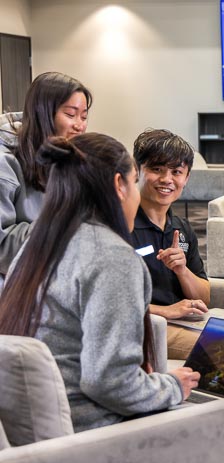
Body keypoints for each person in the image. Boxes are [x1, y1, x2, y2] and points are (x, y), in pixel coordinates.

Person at [0, 133, 199, 432]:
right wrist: (172, 385)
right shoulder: (111, 256)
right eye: (134, 182)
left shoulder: (35, 245)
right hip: (92, 435)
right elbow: (111, 384)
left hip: (29, 434)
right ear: (119, 186)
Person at [131, 128, 224, 387]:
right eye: (157, 169)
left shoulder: (181, 229)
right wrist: (166, 311)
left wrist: (182, 270)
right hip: (150, 325)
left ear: (186, 177)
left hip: (185, 319)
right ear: (137, 170)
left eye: (176, 172)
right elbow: (111, 302)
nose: (166, 179)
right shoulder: (124, 225)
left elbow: (203, 297)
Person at [0, 72, 92, 283]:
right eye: (71, 114)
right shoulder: (4, 163)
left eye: (84, 116)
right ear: (44, 114)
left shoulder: (67, 159)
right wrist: (63, 226)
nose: (80, 125)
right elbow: (2, 247)